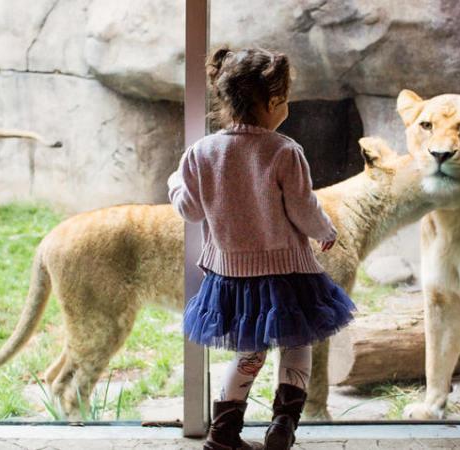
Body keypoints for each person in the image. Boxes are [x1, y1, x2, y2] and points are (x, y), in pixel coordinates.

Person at [168, 46, 356, 450]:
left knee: (248, 352)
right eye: (284, 99)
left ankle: (223, 434)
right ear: (273, 103)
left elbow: (190, 209)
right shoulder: (285, 150)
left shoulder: (201, 153)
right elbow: (303, 208)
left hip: (232, 274)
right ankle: (283, 425)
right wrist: (325, 230)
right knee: (297, 343)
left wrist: (174, 183)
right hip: (288, 273)